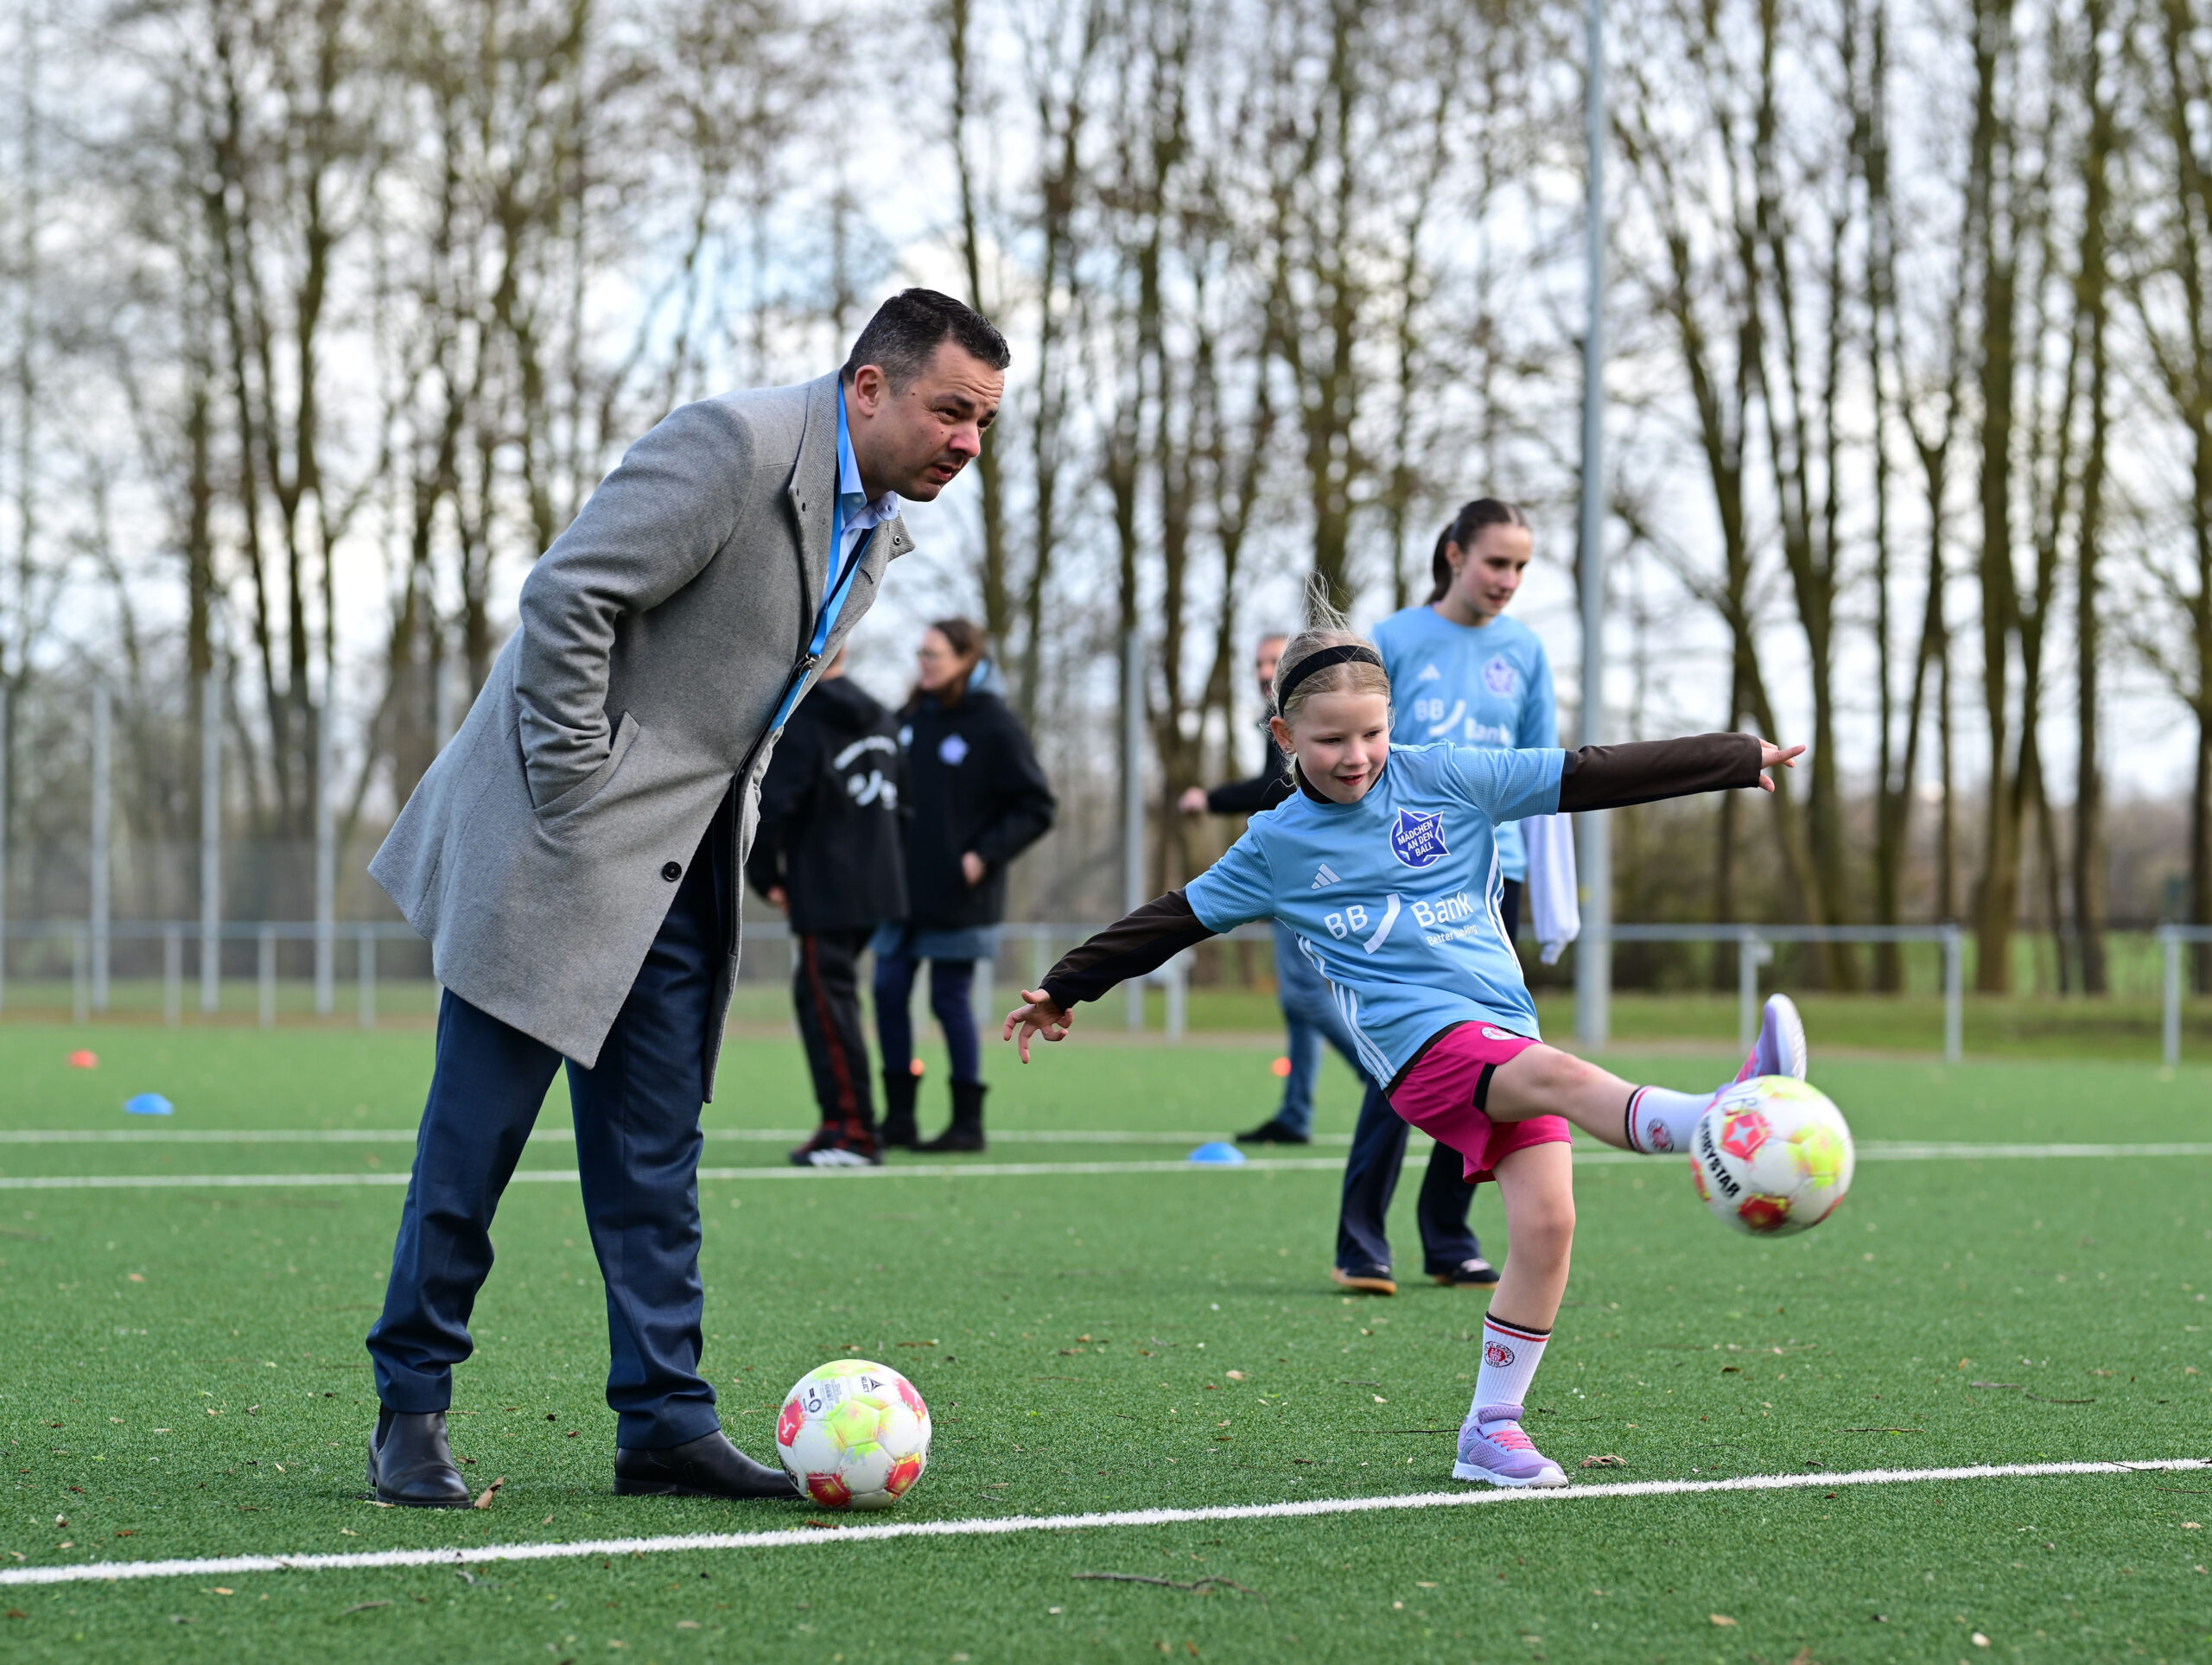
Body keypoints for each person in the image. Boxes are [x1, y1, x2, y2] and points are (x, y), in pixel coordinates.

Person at [359, 289, 1008, 1507]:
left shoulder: (875, 524)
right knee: (473, 1145)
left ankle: (663, 1419)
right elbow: (567, 597)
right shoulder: (730, 444)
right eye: (953, 410)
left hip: (688, 872)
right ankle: (411, 1409)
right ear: (870, 385)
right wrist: (574, 790)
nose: (969, 441)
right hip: (556, 855)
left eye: (985, 421)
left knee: (656, 1162)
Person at [1000, 598, 1812, 1488]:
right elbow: (1174, 917)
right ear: (1283, 734)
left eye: (1371, 734)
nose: (1354, 757)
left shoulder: (1446, 776)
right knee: (1560, 1075)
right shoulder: (1274, 843)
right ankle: (1714, 1119)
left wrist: (1733, 759)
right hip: (1417, 1048)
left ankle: (1489, 1429)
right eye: (1329, 740)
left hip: (1498, 1023)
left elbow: (1583, 774)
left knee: (1547, 1225)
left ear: (1394, 721)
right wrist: (1064, 985)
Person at [1334, 499, 1578, 1295]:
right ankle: (1360, 1239)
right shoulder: (1395, 640)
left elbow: (1546, 769)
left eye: (1520, 566)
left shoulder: (1526, 651)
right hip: (1405, 877)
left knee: (1494, 1058)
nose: (1507, 579)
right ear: (1452, 554)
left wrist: (1549, 886)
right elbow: (1356, 747)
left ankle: (1448, 1235)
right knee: (1409, 1056)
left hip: (1493, 877)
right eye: (1495, 561)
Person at [1178, 632, 1382, 1147]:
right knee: (1297, 1003)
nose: (1265, 670)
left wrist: (1212, 798)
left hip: (1314, 877)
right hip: (1295, 874)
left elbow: (1275, 789)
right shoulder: (1284, 725)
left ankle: (1382, 1079)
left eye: (1274, 660)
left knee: (1305, 996)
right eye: (1259, 661)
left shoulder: (1313, 719)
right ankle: (1295, 1112)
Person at [872, 620, 1055, 1153]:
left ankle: (965, 1124)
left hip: (959, 895)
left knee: (949, 1002)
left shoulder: (993, 722)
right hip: (900, 891)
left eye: (935, 654)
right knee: (886, 993)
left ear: (966, 659)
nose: (924, 662)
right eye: (921, 653)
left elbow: (1036, 806)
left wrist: (984, 854)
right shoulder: (910, 717)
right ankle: (899, 1118)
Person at [745, 645, 907, 1167]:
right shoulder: (880, 713)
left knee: (827, 1005)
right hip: (877, 883)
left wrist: (764, 874)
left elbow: (775, 803)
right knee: (827, 999)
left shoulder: (805, 711)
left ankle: (854, 1133)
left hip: (829, 883)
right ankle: (843, 1124)